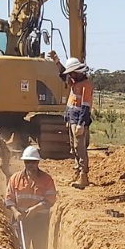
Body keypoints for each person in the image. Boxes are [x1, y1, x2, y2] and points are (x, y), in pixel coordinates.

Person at [4, 146, 57, 249]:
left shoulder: (47, 179)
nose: (30, 165)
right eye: (28, 162)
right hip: (20, 219)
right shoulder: (15, 179)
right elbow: (9, 199)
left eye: (33, 162)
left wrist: (35, 209)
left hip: (39, 220)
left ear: (38, 162)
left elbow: (50, 199)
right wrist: (15, 212)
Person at [50, 52, 93, 188]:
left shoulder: (86, 85)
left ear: (78, 72)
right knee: (73, 147)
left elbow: (85, 107)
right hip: (72, 118)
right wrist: (57, 62)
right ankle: (77, 172)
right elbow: (64, 75)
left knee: (80, 148)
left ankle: (83, 175)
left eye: (73, 73)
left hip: (79, 120)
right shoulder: (75, 82)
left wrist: (81, 124)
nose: (71, 76)